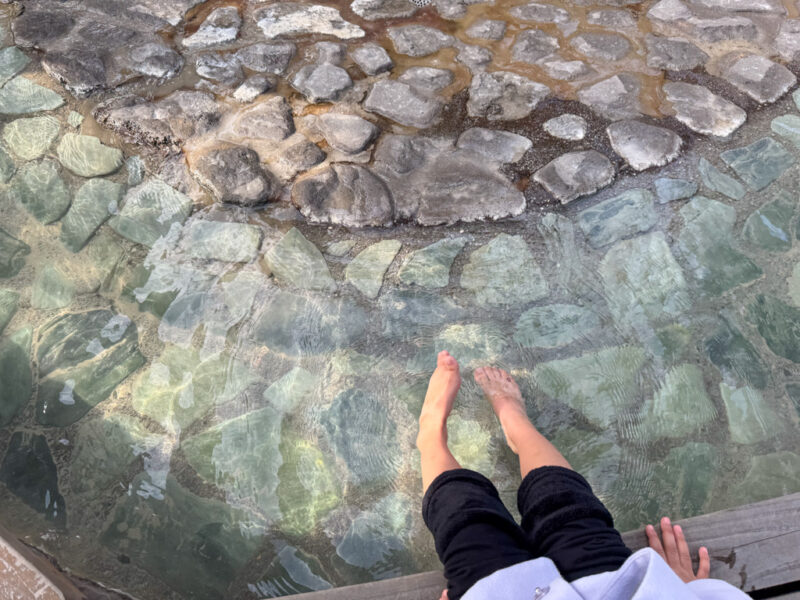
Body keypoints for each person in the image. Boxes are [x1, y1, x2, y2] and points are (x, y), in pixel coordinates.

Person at [417, 350, 752, 600]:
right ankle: (516, 423)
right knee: (564, 503)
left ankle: (430, 434)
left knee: (463, 519)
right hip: (613, 589)